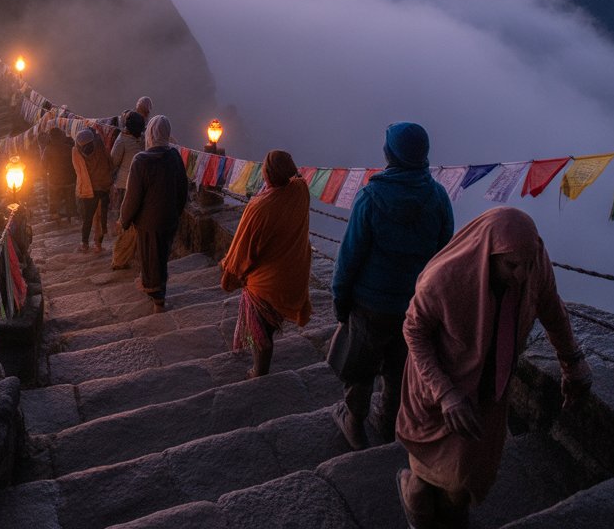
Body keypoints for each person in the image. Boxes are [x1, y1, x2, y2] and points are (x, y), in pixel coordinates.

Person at [396, 207, 592, 529]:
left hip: (488, 390)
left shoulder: (533, 262)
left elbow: (552, 309)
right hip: (440, 387)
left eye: (526, 265)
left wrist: (573, 362)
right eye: (511, 266)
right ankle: (415, 496)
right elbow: (414, 330)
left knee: (462, 481)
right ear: (489, 253)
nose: (521, 275)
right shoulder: (445, 278)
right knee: (432, 473)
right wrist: (445, 393)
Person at [329, 122, 454, 451]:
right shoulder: (438, 197)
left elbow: (350, 256)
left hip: (370, 303)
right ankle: (388, 424)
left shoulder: (371, 196)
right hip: (415, 306)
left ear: (392, 154)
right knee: (400, 368)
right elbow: (444, 254)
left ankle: (354, 422)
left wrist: (340, 300)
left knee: (360, 367)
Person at [220, 150, 313, 378]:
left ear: (267, 174)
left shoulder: (259, 207)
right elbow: (297, 177)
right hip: (294, 275)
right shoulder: (300, 191)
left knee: (259, 331)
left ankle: (259, 371)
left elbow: (243, 250)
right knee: (269, 327)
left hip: (266, 284)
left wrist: (229, 271)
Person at [119, 115, 188, 313]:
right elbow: (182, 189)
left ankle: (158, 299)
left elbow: (133, 197)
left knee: (150, 259)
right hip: (169, 218)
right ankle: (158, 292)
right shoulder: (174, 156)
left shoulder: (141, 160)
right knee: (161, 256)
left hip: (148, 222)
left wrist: (124, 219)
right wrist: (177, 212)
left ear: (149, 133)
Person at [110, 110, 145, 270]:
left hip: (132, 185)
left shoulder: (130, 139)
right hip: (133, 186)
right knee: (131, 222)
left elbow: (115, 160)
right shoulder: (132, 140)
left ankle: (125, 256)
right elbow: (114, 161)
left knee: (129, 222)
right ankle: (125, 256)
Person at [73, 127, 113, 253]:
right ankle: (98, 245)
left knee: (88, 218)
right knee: (101, 218)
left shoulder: (76, 152)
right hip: (103, 186)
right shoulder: (100, 144)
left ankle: (85, 244)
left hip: (88, 189)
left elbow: (77, 171)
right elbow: (109, 161)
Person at [42, 126, 77, 221]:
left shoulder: (47, 150)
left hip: (54, 180)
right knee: (70, 198)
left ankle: (55, 214)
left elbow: (43, 165)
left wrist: (46, 174)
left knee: (54, 197)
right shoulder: (69, 148)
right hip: (70, 178)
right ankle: (71, 214)